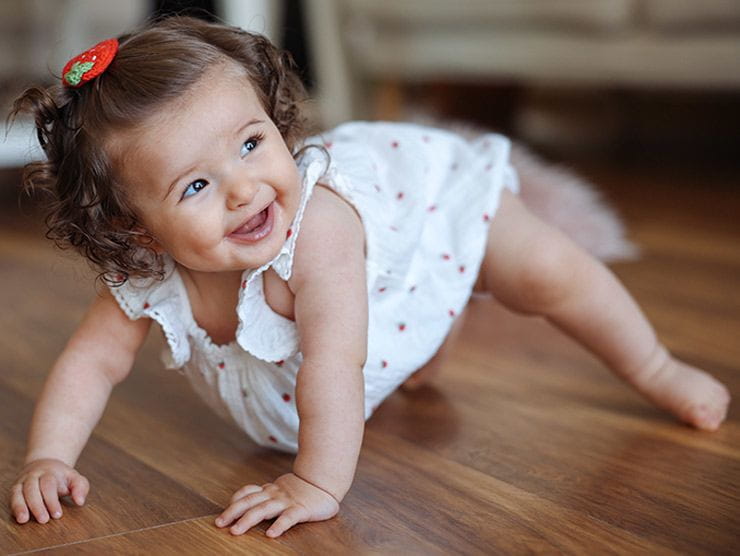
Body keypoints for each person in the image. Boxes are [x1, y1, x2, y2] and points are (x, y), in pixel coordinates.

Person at [8, 16, 730, 538]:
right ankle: (425, 353)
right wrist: (48, 456)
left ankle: (657, 365)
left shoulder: (312, 232)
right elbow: (89, 364)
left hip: (422, 200)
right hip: (373, 300)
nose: (245, 189)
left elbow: (335, 358)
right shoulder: (145, 277)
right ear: (136, 229)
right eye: (195, 186)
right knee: (395, 319)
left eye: (253, 143)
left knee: (544, 271)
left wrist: (316, 481)